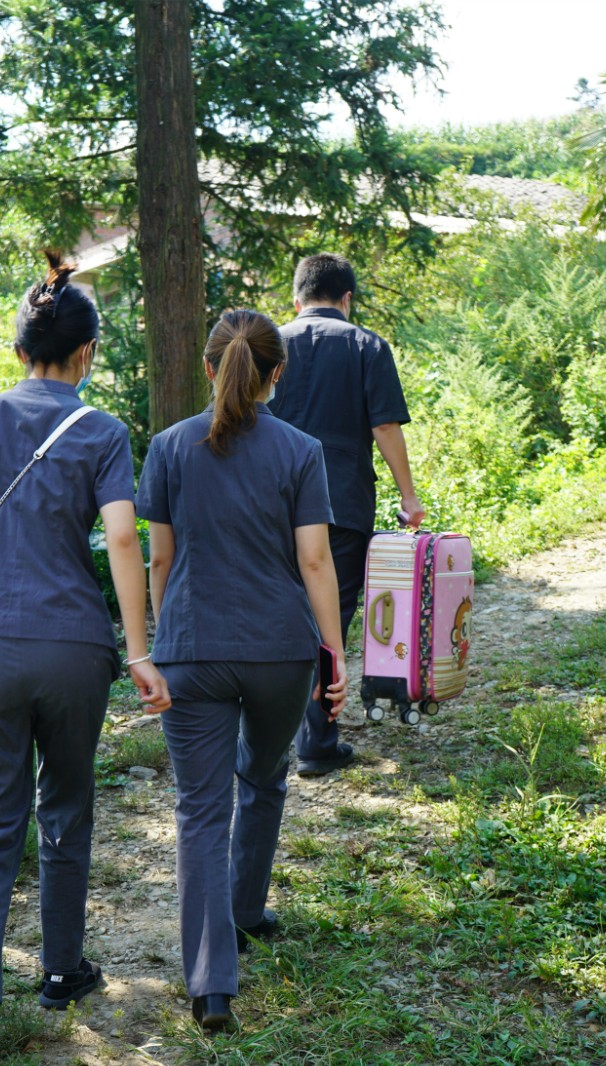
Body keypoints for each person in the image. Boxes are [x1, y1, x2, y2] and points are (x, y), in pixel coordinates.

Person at [0, 254, 170, 1066]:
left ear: (19, 348)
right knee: (65, 804)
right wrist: (140, 648)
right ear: (86, 354)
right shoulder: (100, 430)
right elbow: (124, 540)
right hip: (72, 649)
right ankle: (62, 969)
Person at [137, 309, 349, 1034]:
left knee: (199, 810)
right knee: (263, 777)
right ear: (276, 374)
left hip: (192, 649)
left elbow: (159, 559)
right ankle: (247, 911)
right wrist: (336, 654)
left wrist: (167, 633)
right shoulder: (300, 450)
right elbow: (315, 561)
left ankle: (210, 985)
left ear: (207, 368)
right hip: (280, 652)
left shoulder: (166, 448)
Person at [268, 252, 424, 777]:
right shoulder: (367, 345)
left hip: (273, 501)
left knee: (276, 606)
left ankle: (267, 733)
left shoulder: (269, 343)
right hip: (342, 503)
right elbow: (384, 427)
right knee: (330, 616)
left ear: (296, 299)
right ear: (347, 299)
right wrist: (408, 496)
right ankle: (316, 741)